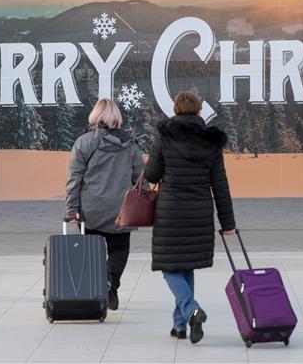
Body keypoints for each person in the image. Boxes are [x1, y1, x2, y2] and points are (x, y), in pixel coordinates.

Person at [144, 90, 236, 344]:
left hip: (171, 211)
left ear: (175, 109)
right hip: (199, 213)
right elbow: (220, 184)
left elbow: (151, 175)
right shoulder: (211, 141)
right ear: (198, 111)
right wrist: (228, 222)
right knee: (185, 266)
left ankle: (191, 309)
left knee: (169, 267)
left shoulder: (164, 136)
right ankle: (180, 326)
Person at [65, 98, 143, 311]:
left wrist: (72, 209)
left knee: (91, 252)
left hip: (91, 209)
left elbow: (75, 179)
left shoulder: (84, 142)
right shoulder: (130, 144)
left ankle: (96, 290)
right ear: (116, 118)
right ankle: (111, 285)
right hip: (121, 209)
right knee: (120, 249)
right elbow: (141, 179)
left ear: (95, 116)